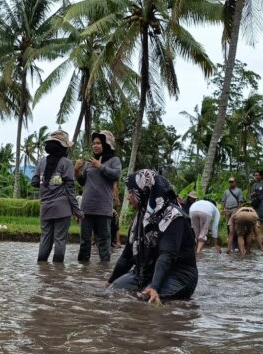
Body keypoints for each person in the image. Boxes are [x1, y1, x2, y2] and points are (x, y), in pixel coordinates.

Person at [106, 169, 197, 303]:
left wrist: (154, 287)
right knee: (113, 291)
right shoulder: (142, 217)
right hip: (147, 273)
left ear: (144, 191)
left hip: (177, 274)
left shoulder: (174, 217)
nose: (128, 197)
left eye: (131, 192)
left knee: (146, 299)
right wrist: (110, 281)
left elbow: (166, 256)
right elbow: (127, 257)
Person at [31, 130, 82, 262]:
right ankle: (58, 273)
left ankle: (42, 270)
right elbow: (71, 190)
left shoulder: (42, 162)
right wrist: (77, 211)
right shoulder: (66, 163)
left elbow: (34, 182)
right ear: (63, 147)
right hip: (62, 209)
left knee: (45, 239)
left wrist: (47, 182)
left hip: (45, 208)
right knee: (60, 240)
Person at [75, 130, 122, 262]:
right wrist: (77, 170)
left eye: (98, 143)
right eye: (94, 143)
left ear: (105, 144)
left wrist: (100, 166)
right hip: (87, 208)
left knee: (104, 242)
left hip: (103, 209)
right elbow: (82, 181)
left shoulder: (114, 160)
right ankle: (83, 272)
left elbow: (116, 175)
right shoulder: (90, 162)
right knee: (85, 242)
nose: (95, 145)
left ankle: (104, 271)